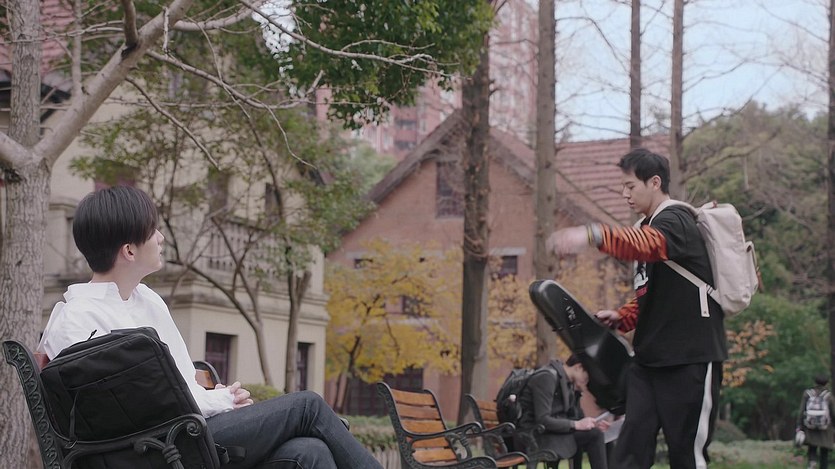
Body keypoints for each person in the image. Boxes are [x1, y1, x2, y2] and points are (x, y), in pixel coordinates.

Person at [37, 185, 383, 469]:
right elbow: (136, 412)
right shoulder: (76, 319)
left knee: (309, 451)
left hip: (186, 433)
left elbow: (179, 384)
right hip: (156, 449)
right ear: (129, 250)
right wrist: (219, 402)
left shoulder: (148, 301)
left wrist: (220, 397)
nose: (160, 238)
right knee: (307, 406)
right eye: (152, 231)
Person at [547, 148, 727, 469]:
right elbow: (654, 293)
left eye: (630, 186)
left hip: (690, 360)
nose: (624, 194)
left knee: (686, 455)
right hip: (648, 363)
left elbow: (646, 245)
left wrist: (593, 234)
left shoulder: (676, 219)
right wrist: (623, 316)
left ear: (654, 183)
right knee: (630, 451)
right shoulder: (648, 226)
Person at [517, 354, 609, 469]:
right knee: (595, 435)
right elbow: (543, 419)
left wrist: (592, 424)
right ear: (578, 367)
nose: (587, 382)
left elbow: (573, 417)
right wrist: (576, 424)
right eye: (587, 377)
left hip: (549, 433)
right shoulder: (546, 377)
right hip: (534, 436)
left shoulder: (566, 382)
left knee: (599, 434)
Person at [797, 375, 835, 469]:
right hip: (825, 428)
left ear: (815, 382)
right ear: (827, 383)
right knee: (824, 452)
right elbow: (833, 413)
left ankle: (812, 464)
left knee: (812, 448)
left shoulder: (808, 394)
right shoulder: (828, 396)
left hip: (810, 426)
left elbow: (802, 411)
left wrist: (799, 426)